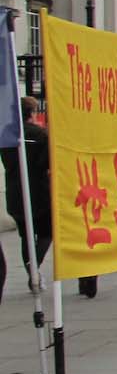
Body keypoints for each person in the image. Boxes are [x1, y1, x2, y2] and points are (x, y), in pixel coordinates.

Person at [1, 95, 51, 292]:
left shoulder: (7, 134)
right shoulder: (40, 134)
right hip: (39, 193)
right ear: (32, 112)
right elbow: (45, 163)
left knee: (26, 236)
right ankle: (34, 266)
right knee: (46, 232)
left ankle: (32, 273)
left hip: (15, 193)